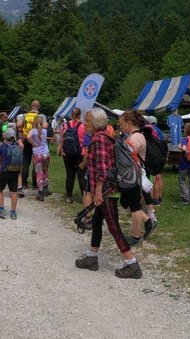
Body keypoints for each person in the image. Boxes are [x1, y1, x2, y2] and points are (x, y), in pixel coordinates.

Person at [74, 107, 142, 279]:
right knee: (97, 222)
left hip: (105, 190)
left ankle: (131, 263)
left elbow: (103, 169)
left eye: (88, 121)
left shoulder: (99, 140)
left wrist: (97, 192)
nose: (85, 124)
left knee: (113, 226)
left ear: (95, 123)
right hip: (108, 188)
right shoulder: (106, 137)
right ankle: (92, 257)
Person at [118, 111, 156, 245]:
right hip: (133, 174)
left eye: (121, 124)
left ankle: (135, 236)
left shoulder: (135, 138)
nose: (120, 127)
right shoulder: (137, 136)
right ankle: (147, 221)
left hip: (133, 175)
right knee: (128, 203)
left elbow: (128, 155)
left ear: (129, 123)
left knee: (134, 206)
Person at [61, 108, 87, 203]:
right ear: (80, 115)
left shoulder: (64, 125)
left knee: (70, 175)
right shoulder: (83, 126)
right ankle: (84, 197)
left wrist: (61, 149)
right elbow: (85, 140)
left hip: (67, 153)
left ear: (71, 115)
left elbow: (61, 139)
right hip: (80, 153)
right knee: (81, 176)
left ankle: (68, 196)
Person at [0, 127, 22, 220]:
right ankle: (13, 212)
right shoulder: (17, 146)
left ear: (5, 137)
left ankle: (2, 209)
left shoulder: (2, 146)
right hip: (15, 171)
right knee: (14, 192)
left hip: (5, 171)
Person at [16, 100, 40, 196]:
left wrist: (22, 132)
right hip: (36, 141)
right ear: (38, 106)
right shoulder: (41, 115)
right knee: (36, 162)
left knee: (26, 162)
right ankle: (35, 184)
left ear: (31, 106)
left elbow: (18, 125)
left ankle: (25, 184)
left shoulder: (25, 115)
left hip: (26, 139)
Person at [28, 114, 51, 200]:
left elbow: (28, 137)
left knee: (39, 174)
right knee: (45, 172)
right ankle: (46, 188)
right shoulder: (45, 131)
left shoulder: (33, 131)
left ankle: (40, 193)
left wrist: (33, 144)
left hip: (37, 155)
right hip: (46, 154)